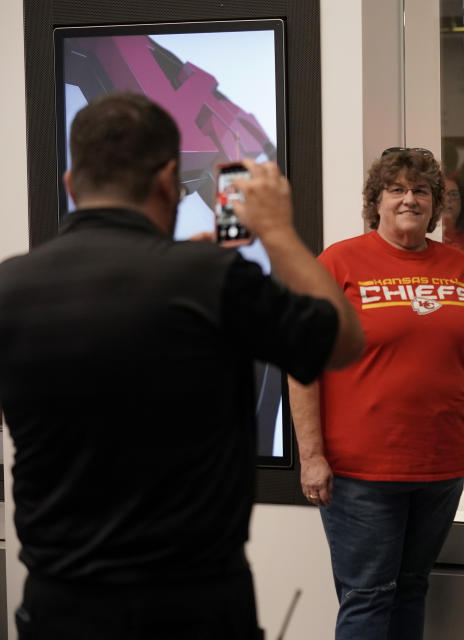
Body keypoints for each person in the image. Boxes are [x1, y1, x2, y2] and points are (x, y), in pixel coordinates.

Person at [0, 93, 364, 639]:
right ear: (170, 180)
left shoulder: (10, 287)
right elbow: (343, 342)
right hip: (192, 606)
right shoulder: (211, 280)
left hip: (59, 606)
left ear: (71, 183)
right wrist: (277, 233)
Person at [288, 147, 464, 640]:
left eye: (421, 191)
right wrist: (311, 456)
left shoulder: (461, 267)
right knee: (368, 597)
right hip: (362, 473)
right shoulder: (338, 264)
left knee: (412, 587)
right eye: (396, 189)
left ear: (436, 205)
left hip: (443, 466)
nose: (409, 199)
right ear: (376, 203)